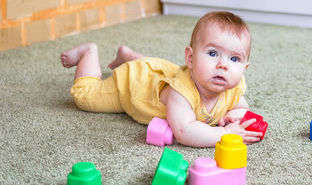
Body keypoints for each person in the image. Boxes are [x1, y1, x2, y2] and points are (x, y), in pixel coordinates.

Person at [60, 11, 262, 147]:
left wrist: (234, 117)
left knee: (160, 68)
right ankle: (89, 53)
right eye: (212, 53)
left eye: (234, 59)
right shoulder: (181, 93)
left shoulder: (233, 85)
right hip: (132, 85)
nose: (223, 65)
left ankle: (127, 55)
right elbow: (185, 131)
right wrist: (226, 133)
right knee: (84, 97)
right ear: (190, 58)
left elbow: (240, 107)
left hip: (162, 70)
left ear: (244, 68)